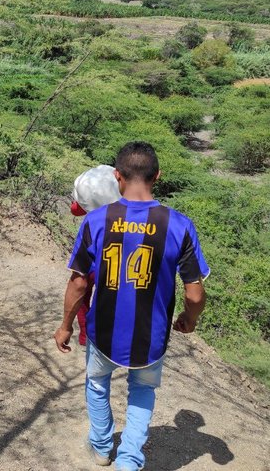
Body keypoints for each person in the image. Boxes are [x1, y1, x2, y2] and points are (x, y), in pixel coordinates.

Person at [54, 141, 209, 471]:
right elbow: (195, 294)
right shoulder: (179, 225)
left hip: (103, 332)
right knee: (142, 390)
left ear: (117, 176)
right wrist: (189, 318)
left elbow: (79, 283)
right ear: (158, 176)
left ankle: (101, 449)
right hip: (150, 337)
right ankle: (129, 461)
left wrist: (66, 324)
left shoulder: (96, 221)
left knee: (97, 384)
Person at [69, 165, 122, 346]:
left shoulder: (92, 215)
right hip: (116, 254)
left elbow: (75, 210)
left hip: (91, 252)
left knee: (82, 292)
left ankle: (86, 334)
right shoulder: (123, 199)